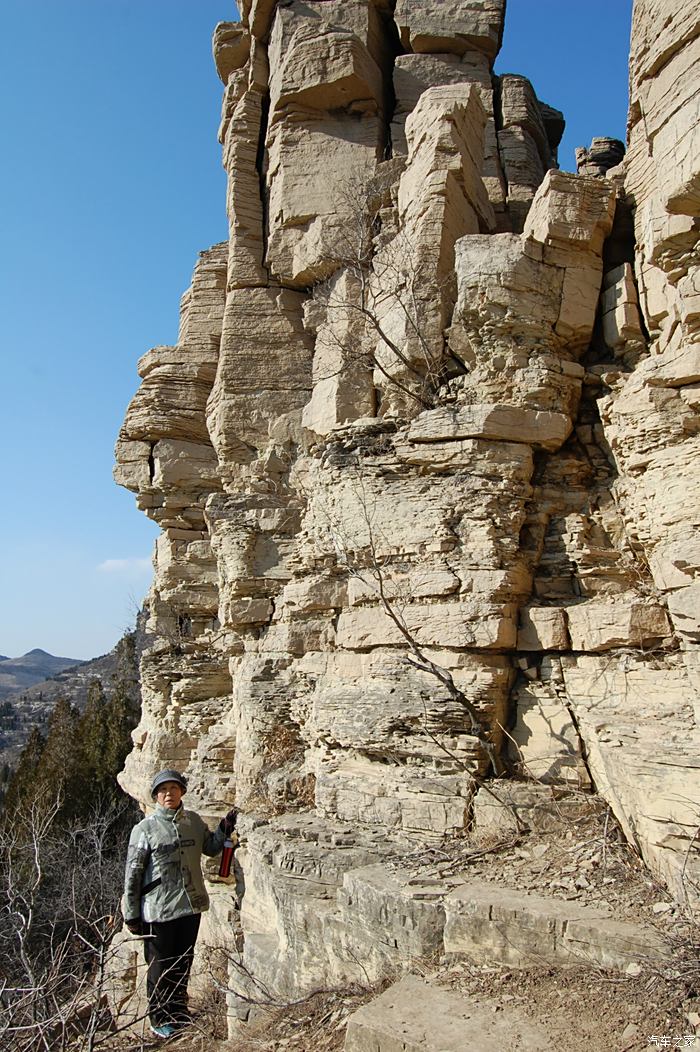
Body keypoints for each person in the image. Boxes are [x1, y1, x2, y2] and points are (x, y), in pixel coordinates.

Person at [122, 768, 237, 1040]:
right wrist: (131, 914)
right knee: (159, 967)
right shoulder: (145, 829)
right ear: (155, 796)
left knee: (183, 962)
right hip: (158, 910)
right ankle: (159, 1019)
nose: (168, 794)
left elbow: (210, 847)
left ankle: (178, 1012)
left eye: (173, 788)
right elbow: (133, 873)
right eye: (162, 790)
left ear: (182, 791)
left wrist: (225, 828)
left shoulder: (194, 822)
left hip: (190, 906)